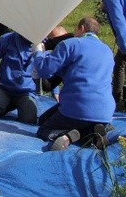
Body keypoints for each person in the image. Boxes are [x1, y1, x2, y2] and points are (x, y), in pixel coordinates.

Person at [34, 17, 114, 150]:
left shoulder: (70, 44)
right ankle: (94, 132)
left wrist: (38, 53)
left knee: (43, 129)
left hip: (78, 107)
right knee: (45, 118)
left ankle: (69, 136)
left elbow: (44, 71)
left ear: (81, 28)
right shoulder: (107, 51)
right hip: (105, 111)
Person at [0, 31, 37, 124]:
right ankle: (6, 103)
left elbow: (49, 69)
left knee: (29, 119)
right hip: (5, 88)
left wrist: (55, 91)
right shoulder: (7, 39)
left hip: (26, 92)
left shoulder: (42, 45)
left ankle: (20, 104)